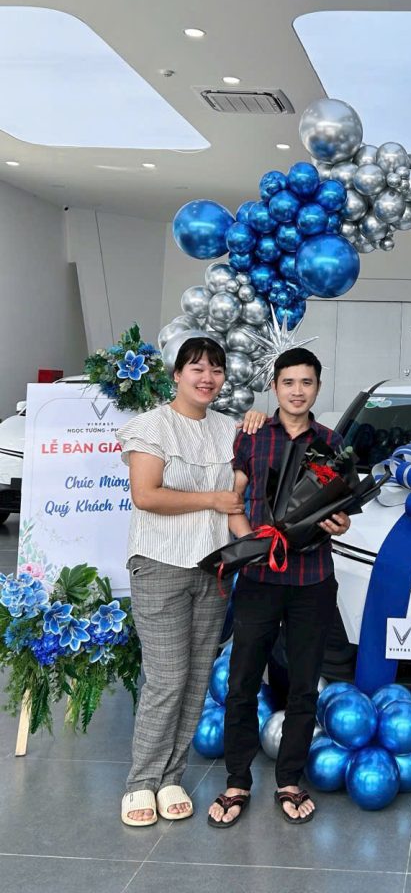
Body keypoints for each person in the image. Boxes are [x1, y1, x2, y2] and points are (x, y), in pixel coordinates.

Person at [118, 337, 265, 827]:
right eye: (197, 368)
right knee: (166, 679)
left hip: (213, 570)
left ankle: (170, 778)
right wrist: (211, 500)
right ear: (177, 374)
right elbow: (146, 494)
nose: (207, 378)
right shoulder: (151, 426)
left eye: (216, 370)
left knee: (197, 676)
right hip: (160, 564)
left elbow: (237, 496)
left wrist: (261, 545)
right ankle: (141, 782)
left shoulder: (229, 430)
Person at [208, 347, 350, 828]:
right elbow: (233, 499)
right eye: (288, 382)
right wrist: (252, 544)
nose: (297, 391)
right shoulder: (252, 436)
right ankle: (237, 781)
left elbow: (343, 512)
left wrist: (341, 524)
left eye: (306, 382)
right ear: (274, 387)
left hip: (312, 581)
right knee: (243, 682)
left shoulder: (332, 443)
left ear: (318, 387)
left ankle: (289, 779)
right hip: (260, 579)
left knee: (304, 684)